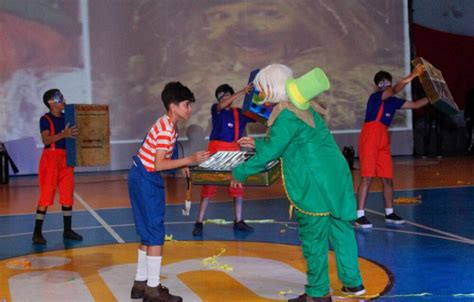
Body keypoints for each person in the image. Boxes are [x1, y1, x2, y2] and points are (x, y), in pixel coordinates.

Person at [231, 64, 365, 302]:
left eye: (262, 88)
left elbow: (272, 154)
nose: (260, 94)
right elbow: (296, 144)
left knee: (314, 239)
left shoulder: (286, 117)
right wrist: (259, 144)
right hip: (336, 178)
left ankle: (318, 293)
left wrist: (239, 173)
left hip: (315, 186)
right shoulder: (305, 109)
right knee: (342, 230)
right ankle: (353, 283)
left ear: (272, 88)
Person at [128, 82, 209, 302]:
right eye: (186, 105)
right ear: (173, 106)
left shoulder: (164, 122)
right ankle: (152, 291)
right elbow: (158, 164)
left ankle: (139, 284)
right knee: (155, 234)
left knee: (146, 232)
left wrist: (178, 164)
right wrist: (189, 160)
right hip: (147, 178)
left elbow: (160, 154)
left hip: (137, 175)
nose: (189, 109)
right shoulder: (167, 129)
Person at [355, 66, 429, 228]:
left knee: (387, 178)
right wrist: (414, 74)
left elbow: (416, 105)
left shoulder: (394, 102)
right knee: (367, 177)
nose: (385, 84)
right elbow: (395, 89)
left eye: (387, 81)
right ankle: (359, 215)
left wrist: (433, 98)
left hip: (383, 137)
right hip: (370, 136)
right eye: (382, 82)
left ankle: (390, 213)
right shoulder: (375, 97)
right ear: (378, 86)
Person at [192, 83, 255, 236]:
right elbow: (222, 105)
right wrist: (242, 91)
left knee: (238, 184)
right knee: (209, 186)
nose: (225, 97)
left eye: (227, 94)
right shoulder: (216, 109)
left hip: (234, 149)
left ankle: (238, 221)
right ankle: (199, 222)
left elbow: (258, 116)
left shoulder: (239, 113)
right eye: (221, 95)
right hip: (216, 149)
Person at [32, 89, 82, 245]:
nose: (63, 99)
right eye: (59, 98)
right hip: (51, 158)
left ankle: (67, 230)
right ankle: (37, 232)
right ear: (50, 102)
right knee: (47, 193)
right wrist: (63, 134)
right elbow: (46, 140)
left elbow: (78, 134)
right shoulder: (45, 119)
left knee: (67, 193)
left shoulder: (68, 117)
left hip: (67, 159)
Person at [465, 88, 474, 154]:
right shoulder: (470, 93)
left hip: (470, 116)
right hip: (471, 116)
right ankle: (469, 149)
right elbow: (467, 105)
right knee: (470, 134)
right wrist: (467, 116)